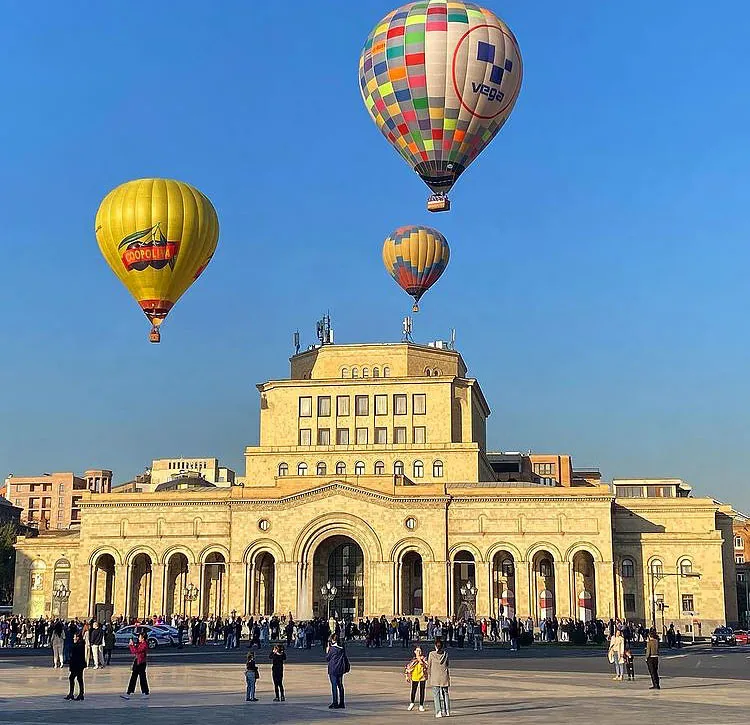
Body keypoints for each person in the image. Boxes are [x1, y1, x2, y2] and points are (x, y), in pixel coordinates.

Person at [121, 631, 150, 700]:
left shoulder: (144, 644)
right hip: (137, 662)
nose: (138, 638)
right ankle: (129, 692)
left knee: (142, 678)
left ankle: (145, 693)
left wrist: (131, 645)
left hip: (141, 663)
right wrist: (132, 645)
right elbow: (134, 651)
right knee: (133, 678)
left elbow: (136, 651)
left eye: (139, 637)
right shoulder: (140, 644)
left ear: (143, 638)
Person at [428, 637, 450, 718]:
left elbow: (429, 666)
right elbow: (447, 664)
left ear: (435, 646)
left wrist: (430, 674)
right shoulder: (445, 654)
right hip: (444, 676)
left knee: (436, 695)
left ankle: (439, 711)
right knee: (445, 694)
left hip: (435, 676)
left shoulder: (431, 654)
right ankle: (447, 710)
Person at [326, 633, 349, 709]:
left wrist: (327, 650)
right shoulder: (342, 648)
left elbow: (328, 658)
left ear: (333, 640)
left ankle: (335, 702)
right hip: (340, 668)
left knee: (334, 686)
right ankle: (342, 702)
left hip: (333, 668)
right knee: (340, 685)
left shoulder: (332, 649)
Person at [405, 645, 428, 712]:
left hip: (422, 676)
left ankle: (421, 705)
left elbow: (424, 665)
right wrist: (407, 676)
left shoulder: (424, 659)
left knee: (422, 691)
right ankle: (412, 703)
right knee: (413, 690)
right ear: (414, 651)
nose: (419, 652)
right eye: (417, 650)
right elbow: (408, 668)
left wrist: (419, 657)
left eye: (420, 650)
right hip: (415, 676)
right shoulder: (413, 660)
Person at [66, 632, 86, 701]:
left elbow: (75, 655)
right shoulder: (79, 645)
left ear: (78, 638)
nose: (73, 638)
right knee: (77, 678)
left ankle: (78, 694)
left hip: (77, 665)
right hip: (78, 664)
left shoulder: (79, 645)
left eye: (74, 637)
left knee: (75, 678)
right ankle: (77, 693)